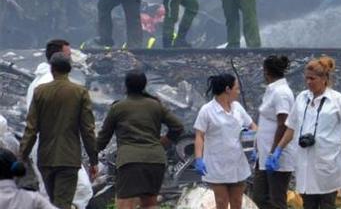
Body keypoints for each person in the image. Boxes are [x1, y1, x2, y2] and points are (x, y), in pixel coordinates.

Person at [268, 57, 341, 209]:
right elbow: (291, 127)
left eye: (313, 78)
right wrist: (278, 149)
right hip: (305, 163)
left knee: (327, 203)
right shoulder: (302, 98)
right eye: (307, 78)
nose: (309, 82)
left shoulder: (337, 100)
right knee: (308, 203)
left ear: (324, 79)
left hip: (327, 164)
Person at [97, 70, 184, 209]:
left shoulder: (118, 107)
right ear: (144, 85)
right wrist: (163, 142)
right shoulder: (156, 105)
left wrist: (92, 156)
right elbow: (178, 127)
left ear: (126, 86)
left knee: (125, 203)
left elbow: (103, 139)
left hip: (130, 161)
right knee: (149, 204)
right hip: (155, 160)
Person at [20, 53, 98, 209]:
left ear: (52, 69)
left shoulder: (40, 91)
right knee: (62, 203)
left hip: (45, 158)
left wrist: (22, 154)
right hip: (69, 158)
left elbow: (31, 128)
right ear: (69, 69)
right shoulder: (79, 92)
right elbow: (87, 130)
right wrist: (93, 159)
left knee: (52, 201)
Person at [193, 73, 258, 209]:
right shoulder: (207, 110)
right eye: (237, 88)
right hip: (217, 164)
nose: (238, 92)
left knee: (237, 202)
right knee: (221, 202)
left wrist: (255, 145)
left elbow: (252, 126)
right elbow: (199, 135)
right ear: (228, 89)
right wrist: (199, 158)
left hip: (238, 162)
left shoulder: (237, 107)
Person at [252, 56, 296, 209]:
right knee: (259, 197)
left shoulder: (281, 93)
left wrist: (274, 151)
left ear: (266, 72)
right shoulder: (272, 90)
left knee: (276, 200)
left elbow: (283, 124)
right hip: (264, 154)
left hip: (277, 156)